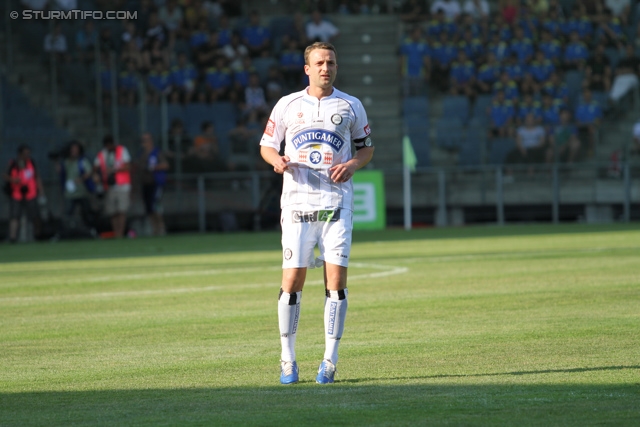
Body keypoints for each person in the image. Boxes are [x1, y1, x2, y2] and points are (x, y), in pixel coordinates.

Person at [259, 42, 374, 385]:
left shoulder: (351, 105)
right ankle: (287, 359)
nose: (326, 67)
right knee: (292, 282)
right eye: (320, 62)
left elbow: (366, 148)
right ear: (306, 68)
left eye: (331, 62)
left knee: (335, 283)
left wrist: (353, 163)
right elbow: (266, 144)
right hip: (296, 204)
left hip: (337, 204)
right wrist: (276, 160)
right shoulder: (287, 105)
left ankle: (329, 360)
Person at [3, 144, 45, 243]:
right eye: (25, 154)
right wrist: (13, 180)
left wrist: (41, 191)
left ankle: (38, 236)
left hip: (31, 193)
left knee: (35, 216)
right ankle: (13, 238)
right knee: (15, 216)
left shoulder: (32, 163)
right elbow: (4, 175)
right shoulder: (13, 163)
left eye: (28, 154)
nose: (27, 156)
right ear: (20, 154)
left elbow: (37, 177)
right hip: (17, 193)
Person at [94, 135, 132, 238]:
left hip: (122, 185)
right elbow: (95, 167)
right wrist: (96, 176)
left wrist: (115, 170)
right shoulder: (102, 154)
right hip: (109, 186)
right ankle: (116, 233)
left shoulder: (121, 150)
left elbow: (128, 166)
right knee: (112, 211)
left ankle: (120, 232)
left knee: (121, 210)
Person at [58, 141, 96, 234]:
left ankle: (91, 231)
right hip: (70, 193)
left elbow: (89, 172)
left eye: (76, 150)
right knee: (68, 213)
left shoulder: (82, 161)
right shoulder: (66, 162)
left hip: (82, 192)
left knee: (86, 213)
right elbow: (62, 173)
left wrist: (80, 179)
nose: (74, 151)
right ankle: (64, 232)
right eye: (72, 150)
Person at [139, 133, 169, 236]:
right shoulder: (142, 154)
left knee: (156, 206)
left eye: (146, 140)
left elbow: (165, 165)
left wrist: (154, 167)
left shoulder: (156, 152)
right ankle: (154, 229)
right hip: (146, 183)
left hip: (156, 183)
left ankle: (161, 228)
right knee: (149, 208)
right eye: (142, 140)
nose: (144, 143)